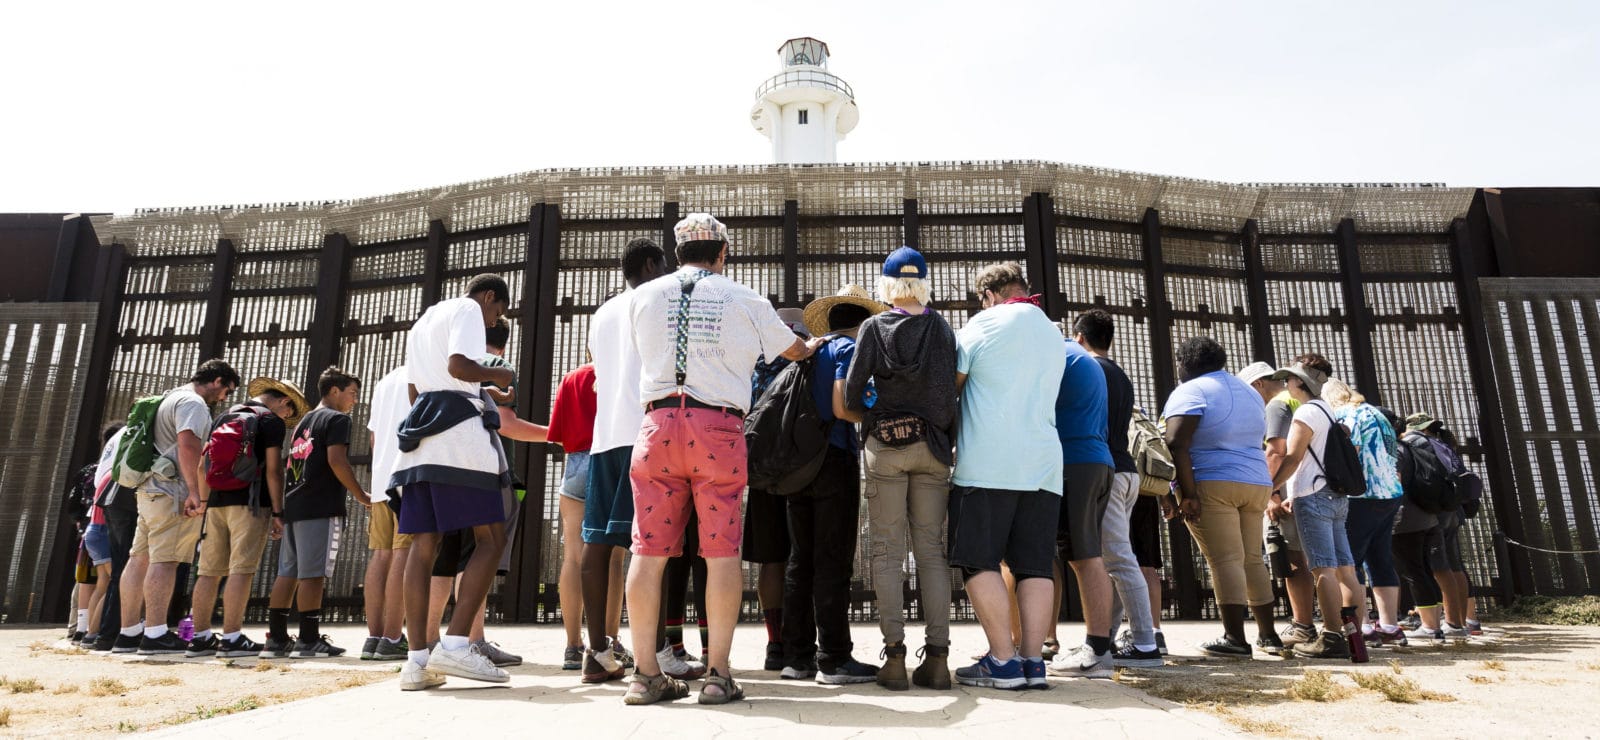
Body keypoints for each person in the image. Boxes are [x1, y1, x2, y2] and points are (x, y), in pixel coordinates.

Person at [621, 213, 823, 706]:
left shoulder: (642, 297)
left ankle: (644, 676)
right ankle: (717, 675)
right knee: (721, 552)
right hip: (719, 430)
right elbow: (794, 350)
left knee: (648, 552)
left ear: (676, 253)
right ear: (723, 251)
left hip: (658, 424)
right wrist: (811, 344)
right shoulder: (745, 298)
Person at [389, 275, 519, 691]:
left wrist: (473, 389)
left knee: (422, 546)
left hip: (419, 437)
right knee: (491, 539)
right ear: (488, 297)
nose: (494, 319)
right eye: (497, 311)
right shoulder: (467, 309)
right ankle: (459, 643)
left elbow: (416, 388)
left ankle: (417, 661)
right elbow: (459, 366)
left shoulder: (426, 319)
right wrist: (499, 376)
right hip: (459, 440)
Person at [841, 246, 956, 691]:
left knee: (887, 554)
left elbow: (852, 395)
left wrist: (875, 411)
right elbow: (949, 397)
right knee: (931, 552)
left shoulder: (873, 327)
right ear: (923, 283)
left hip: (885, 449)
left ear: (887, 285)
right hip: (932, 449)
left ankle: (894, 659)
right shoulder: (942, 329)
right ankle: (939, 658)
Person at [947, 263, 1065, 691]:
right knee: (1034, 565)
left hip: (989, 462)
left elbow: (952, 386)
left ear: (989, 295)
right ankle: (1033, 662)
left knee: (978, 559)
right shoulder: (1054, 332)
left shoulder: (983, 324)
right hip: (1046, 465)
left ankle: (1001, 660)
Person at [773, 285, 883, 685]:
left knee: (800, 561)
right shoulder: (847, 351)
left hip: (797, 465)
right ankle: (835, 659)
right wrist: (872, 413)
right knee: (832, 561)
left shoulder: (811, 349)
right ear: (862, 325)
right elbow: (842, 406)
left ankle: (796, 656)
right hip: (834, 460)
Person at [418, 319, 541, 669]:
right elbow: (508, 424)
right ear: (502, 343)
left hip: (443, 467)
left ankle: (429, 641)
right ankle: (472, 643)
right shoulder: (497, 366)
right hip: (485, 472)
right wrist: (559, 434)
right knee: (479, 556)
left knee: (446, 557)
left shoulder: (442, 366)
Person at [582, 238, 667, 684]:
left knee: (597, 545)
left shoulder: (601, 312)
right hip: (646, 431)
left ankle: (596, 650)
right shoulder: (656, 298)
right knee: (655, 546)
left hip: (604, 438)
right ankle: (655, 653)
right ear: (652, 265)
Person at [1160, 339, 1279, 658]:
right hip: (1255, 482)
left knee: (1224, 559)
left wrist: (1188, 493)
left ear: (1183, 363)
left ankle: (1235, 639)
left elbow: (1175, 440)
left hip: (1213, 481)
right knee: (1252, 558)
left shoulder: (1191, 390)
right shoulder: (1250, 393)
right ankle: (1269, 635)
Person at [113, 358, 239, 655]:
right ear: (217, 381)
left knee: (139, 558)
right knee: (166, 560)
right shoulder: (193, 403)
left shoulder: (169, 397)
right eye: (227, 391)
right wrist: (195, 491)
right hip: (173, 492)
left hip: (149, 489)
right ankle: (155, 634)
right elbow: (188, 445)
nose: (224, 399)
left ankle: (129, 632)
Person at [186, 377, 305, 659]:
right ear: (284, 401)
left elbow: (204, 463)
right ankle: (231, 638)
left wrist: (204, 501)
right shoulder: (270, 421)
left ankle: (199, 638)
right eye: (290, 412)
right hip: (252, 503)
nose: (287, 417)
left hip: (216, 502)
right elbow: (273, 470)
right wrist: (277, 511)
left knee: (209, 571)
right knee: (242, 568)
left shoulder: (226, 416)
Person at [1070, 310, 1161, 670]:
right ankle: (1107, 638)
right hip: (1127, 471)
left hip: (1108, 470)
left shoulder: (1088, 370)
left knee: (1120, 559)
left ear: (1079, 337)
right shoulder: (1120, 374)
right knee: (1116, 559)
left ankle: (1144, 643)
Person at [263, 366, 370, 659]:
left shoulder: (304, 421)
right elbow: (337, 460)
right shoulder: (337, 419)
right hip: (320, 505)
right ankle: (308, 639)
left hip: (295, 505)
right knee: (314, 574)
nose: (354, 400)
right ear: (334, 390)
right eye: (352, 393)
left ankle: (277, 639)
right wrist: (361, 495)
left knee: (288, 572)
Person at [1040, 321, 1118, 680]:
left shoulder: (1056, 356)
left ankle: (1097, 652)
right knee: (1085, 554)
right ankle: (1096, 646)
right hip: (1097, 460)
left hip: (1074, 462)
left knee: (1084, 557)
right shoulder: (1082, 357)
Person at [1268, 361, 1358, 659]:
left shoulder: (1305, 412)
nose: (1287, 385)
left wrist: (1271, 487)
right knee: (1345, 568)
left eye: (1290, 380)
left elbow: (1292, 457)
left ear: (1300, 383)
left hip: (1312, 493)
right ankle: (1353, 634)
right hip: (1336, 495)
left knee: (1322, 568)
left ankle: (1331, 636)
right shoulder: (1328, 410)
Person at [743, 307, 809, 672]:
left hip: (763, 471)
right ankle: (801, 638)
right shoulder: (807, 362)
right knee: (804, 555)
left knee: (772, 559)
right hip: (803, 471)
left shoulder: (755, 366)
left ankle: (775, 642)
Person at [1323, 378, 1407, 647]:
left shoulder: (1345, 414)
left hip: (1362, 494)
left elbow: (1352, 450)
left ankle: (1364, 627)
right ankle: (1391, 625)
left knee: (1351, 561)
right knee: (1381, 559)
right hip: (1390, 493)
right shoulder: (1375, 413)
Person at [546, 360, 617, 670]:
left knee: (573, 557)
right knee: (612, 557)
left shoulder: (572, 377)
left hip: (575, 463)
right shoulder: (619, 372)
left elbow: (558, 433)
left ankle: (573, 646)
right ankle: (609, 643)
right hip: (610, 460)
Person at [362, 365, 414, 661]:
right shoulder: (425, 371)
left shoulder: (384, 381)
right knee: (403, 554)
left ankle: (374, 637)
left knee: (381, 555)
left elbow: (373, 437)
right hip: (407, 478)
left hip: (381, 481)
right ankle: (394, 637)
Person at [1416, 418, 1479, 637]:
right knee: (1454, 565)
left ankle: (1452, 622)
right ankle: (1464, 621)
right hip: (1454, 509)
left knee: (1439, 566)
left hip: (1438, 511)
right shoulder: (1445, 446)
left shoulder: (1421, 444)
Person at [72, 423, 123, 647]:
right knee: (115, 583)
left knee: (102, 583)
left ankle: (88, 633)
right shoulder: (118, 474)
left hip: (92, 530)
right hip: (103, 530)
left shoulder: (100, 472)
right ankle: (96, 632)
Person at [89, 424, 138, 653]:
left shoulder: (118, 436)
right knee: (130, 568)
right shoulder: (141, 429)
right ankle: (117, 633)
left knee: (116, 574)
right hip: (127, 495)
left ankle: (98, 635)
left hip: (109, 495)